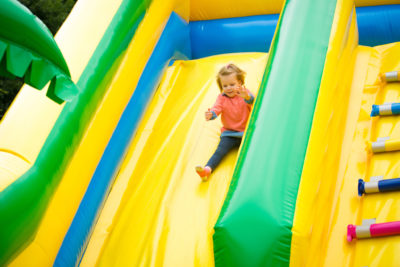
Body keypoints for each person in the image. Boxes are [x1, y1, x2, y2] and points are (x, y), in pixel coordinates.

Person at [195, 63, 255, 181]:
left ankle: (249, 176)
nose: (228, 88)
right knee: (219, 152)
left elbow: (253, 101)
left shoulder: (244, 93)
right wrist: (211, 114)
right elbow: (216, 108)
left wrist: (246, 97)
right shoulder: (222, 98)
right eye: (225, 85)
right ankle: (207, 170)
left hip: (247, 132)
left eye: (232, 84)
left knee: (251, 152)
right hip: (229, 134)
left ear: (240, 83)